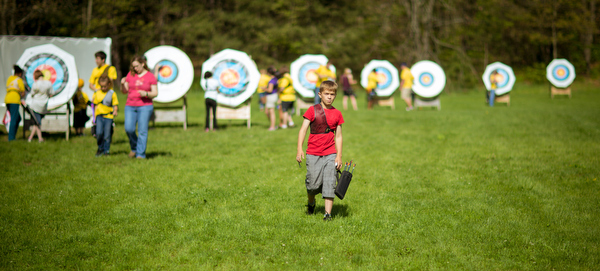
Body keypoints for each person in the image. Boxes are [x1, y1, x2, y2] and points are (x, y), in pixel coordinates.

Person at [296, 80, 344, 221]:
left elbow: (339, 136)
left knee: (330, 182)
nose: (329, 97)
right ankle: (311, 202)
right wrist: (299, 149)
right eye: (326, 94)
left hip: (330, 153)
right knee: (312, 185)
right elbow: (303, 130)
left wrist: (339, 156)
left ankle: (327, 214)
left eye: (332, 94)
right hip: (313, 153)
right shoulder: (312, 110)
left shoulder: (337, 114)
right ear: (320, 94)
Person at [121, 55, 158, 159]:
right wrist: (122, 84)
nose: (135, 69)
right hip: (130, 105)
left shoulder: (150, 76)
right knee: (129, 128)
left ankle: (140, 154)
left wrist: (146, 94)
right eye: (133, 67)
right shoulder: (130, 74)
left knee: (142, 130)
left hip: (145, 106)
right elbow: (124, 91)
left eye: (137, 66)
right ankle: (134, 147)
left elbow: (155, 93)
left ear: (143, 64)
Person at [92, 75, 118, 157]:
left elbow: (115, 104)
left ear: (109, 84)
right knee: (99, 133)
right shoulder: (97, 93)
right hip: (99, 116)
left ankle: (106, 150)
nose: (103, 88)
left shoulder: (112, 93)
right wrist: (94, 117)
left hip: (108, 117)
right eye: (101, 86)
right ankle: (100, 148)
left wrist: (115, 111)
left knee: (107, 135)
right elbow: (95, 105)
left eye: (105, 86)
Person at [26, 70, 54, 142]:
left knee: (37, 122)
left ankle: (37, 138)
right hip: (43, 106)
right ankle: (33, 138)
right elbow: (51, 94)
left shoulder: (35, 84)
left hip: (35, 106)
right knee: (37, 122)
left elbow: (32, 94)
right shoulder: (48, 83)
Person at [5, 65, 25, 141]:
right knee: (14, 118)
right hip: (14, 100)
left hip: (7, 99)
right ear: (20, 74)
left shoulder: (10, 78)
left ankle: (12, 135)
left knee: (17, 118)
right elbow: (22, 92)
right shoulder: (19, 80)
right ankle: (11, 138)